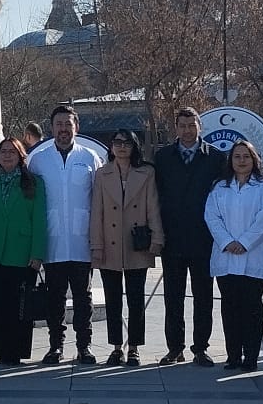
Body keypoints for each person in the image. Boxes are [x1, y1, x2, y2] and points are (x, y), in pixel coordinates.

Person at [28, 104, 103, 364]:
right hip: (53, 240)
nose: (63, 129)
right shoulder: (39, 159)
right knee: (55, 297)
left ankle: (84, 346)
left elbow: (99, 200)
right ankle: (55, 346)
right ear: (51, 128)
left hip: (82, 240)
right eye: (59, 124)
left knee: (83, 297)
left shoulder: (90, 157)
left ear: (76, 127)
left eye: (67, 124)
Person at [153, 107, 227, 366]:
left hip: (203, 238)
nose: (187, 130)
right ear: (176, 128)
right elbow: (156, 195)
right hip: (172, 237)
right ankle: (175, 348)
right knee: (173, 297)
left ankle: (201, 347)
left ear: (199, 127)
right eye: (182, 125)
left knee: (203, 296)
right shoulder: (163, 157)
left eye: (191, 125)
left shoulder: (215, 157)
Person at [89, 128, 163, 366]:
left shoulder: (146, 173)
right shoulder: (102, 174)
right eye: (118, 142)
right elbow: (97, 212)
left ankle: (134, 347)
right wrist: (96, 244)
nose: (122, 147)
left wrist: (157, 239)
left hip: (136, 242)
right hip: (109, 242)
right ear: (111, 146)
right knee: (113, 299)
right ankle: (115, 347)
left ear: (134, 147)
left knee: (136, 299)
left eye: (127, 143)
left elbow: (152, 207)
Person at [0, 137, 47, 364]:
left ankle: (18, 350)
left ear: (20, 156)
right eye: (3, 151)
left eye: (12, 152)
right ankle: (2, 350)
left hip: (22, 252)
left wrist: (37, 253)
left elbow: (39, 220)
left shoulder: (33, 182)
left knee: (21, 305)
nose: (7, 155)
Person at [207, 140, 263, 372]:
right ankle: (233, 355)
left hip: (253, 256)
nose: (241, 161)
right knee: (230, 307)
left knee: (251, 307)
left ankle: (251, 357)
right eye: (237, 156)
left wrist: (245, 242)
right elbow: (211, 217)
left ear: (254, 159)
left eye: (246, 156)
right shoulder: (220, 187)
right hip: (226, 256)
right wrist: (227, 242)